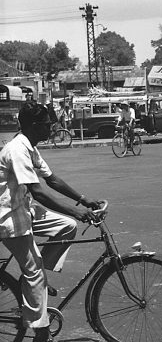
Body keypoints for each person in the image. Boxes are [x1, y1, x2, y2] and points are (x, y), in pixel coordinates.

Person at [0, 102, 99, 341]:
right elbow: (39, 191)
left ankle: (31, 282)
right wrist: (76, 211)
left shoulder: (30, 146)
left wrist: (83, 200)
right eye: (47, 125)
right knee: (35, 274)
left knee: (67, 226)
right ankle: (40, 330)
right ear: (34, 126)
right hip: (8, 216)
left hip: (24, 209)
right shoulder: (17, 149)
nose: (51, 128)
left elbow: (52, 180)